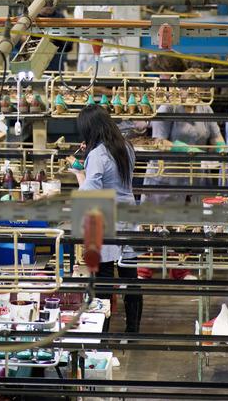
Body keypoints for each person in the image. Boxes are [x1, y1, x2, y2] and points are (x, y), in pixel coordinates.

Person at [70, 105, 142, 333]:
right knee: (130, 275)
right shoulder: (126, 147)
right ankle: (133, 333)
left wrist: (78, 173)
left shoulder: (98, 155)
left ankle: (102, 335)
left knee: (103, 278)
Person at [142, 69, 226, 204]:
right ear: (181, 89)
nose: (195, 96)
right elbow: (159, 142)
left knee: (191, 223)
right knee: (161, 223)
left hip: (194, 180)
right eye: (191, 92)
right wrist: (186, 149)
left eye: (199, 92)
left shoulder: (205, 109)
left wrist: (221, 150)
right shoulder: (168, 108)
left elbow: (216, 137)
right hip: (165, 180)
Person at [73, 0, 115, 73]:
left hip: (109, 50)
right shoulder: (83, 0)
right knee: (85, 79)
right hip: (87, 48)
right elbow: (77, 21)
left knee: (107, 76)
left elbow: (118, 22)